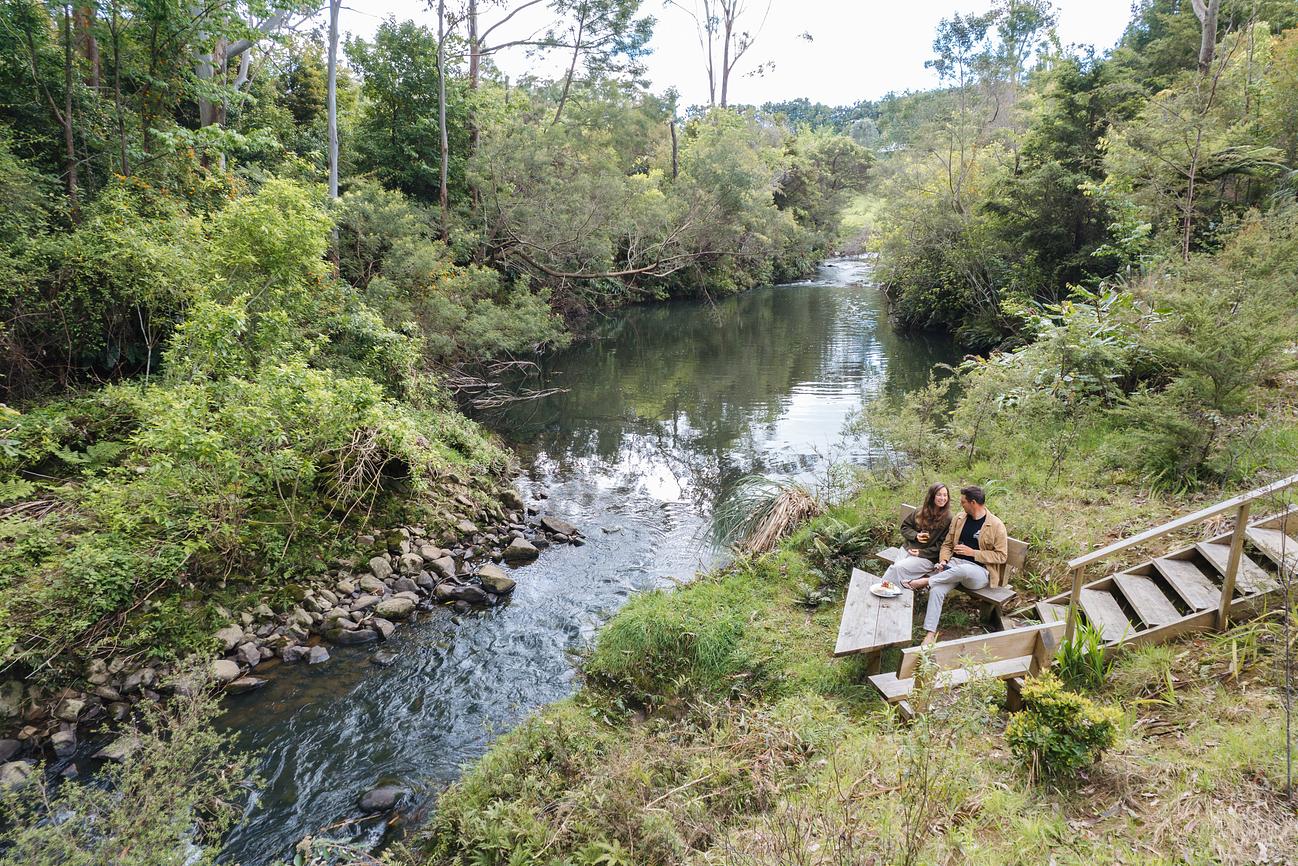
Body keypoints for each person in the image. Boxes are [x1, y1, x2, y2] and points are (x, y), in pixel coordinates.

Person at [902, 485, 1008, 646]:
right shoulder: (960, 519)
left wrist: (973, 553)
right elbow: (947, 544)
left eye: (963, 502)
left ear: (973, 503)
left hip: (978, 573)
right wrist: (944, 561)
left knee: (963, 570)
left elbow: (1001, 556)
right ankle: (930, 634)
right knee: (937, 590)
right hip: (953, 566)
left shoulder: (995, 525)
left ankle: (925, 581)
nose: (961, 505)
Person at [882, 482, 952, 589]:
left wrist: (921, 552)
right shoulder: (920, 511)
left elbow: (942, 546)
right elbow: (905, 527)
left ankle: (883, 591)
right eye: (939, 494)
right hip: (907, 549)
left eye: (945, 495)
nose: (942, 498)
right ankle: (890, 595)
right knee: (897, 571)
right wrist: (915, 535)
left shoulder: (948, 519)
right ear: (932, 496)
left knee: (897, 569)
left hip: (927, 558)